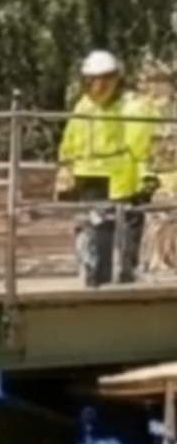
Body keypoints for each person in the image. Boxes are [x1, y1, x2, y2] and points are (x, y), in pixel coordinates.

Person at [56, 50, 158, 289]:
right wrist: (65, 170)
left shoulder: (133, 106)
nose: (98, 87)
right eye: (91, 81)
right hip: (89, 176)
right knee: (92, 225)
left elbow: (141, 146)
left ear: (115, 79)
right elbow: (70, 142)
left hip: (122, 178)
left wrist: (145, 175)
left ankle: (122, 273)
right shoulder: (84, 106)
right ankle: (94, 273)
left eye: (104, 80)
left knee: (124, 226)